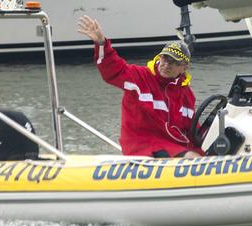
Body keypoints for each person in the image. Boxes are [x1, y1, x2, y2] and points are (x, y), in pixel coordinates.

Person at [77, 15, 203, 158]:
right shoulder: (139, 77)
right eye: (165, 59)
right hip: (141, 144)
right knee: (192, 157)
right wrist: (101, 43)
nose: (166, 65)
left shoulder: (186, 93)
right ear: (159, 57)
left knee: (204, 154)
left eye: (173, 62)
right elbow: (112, 70)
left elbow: (192, 129)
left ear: (184, 68)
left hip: (171, 144)